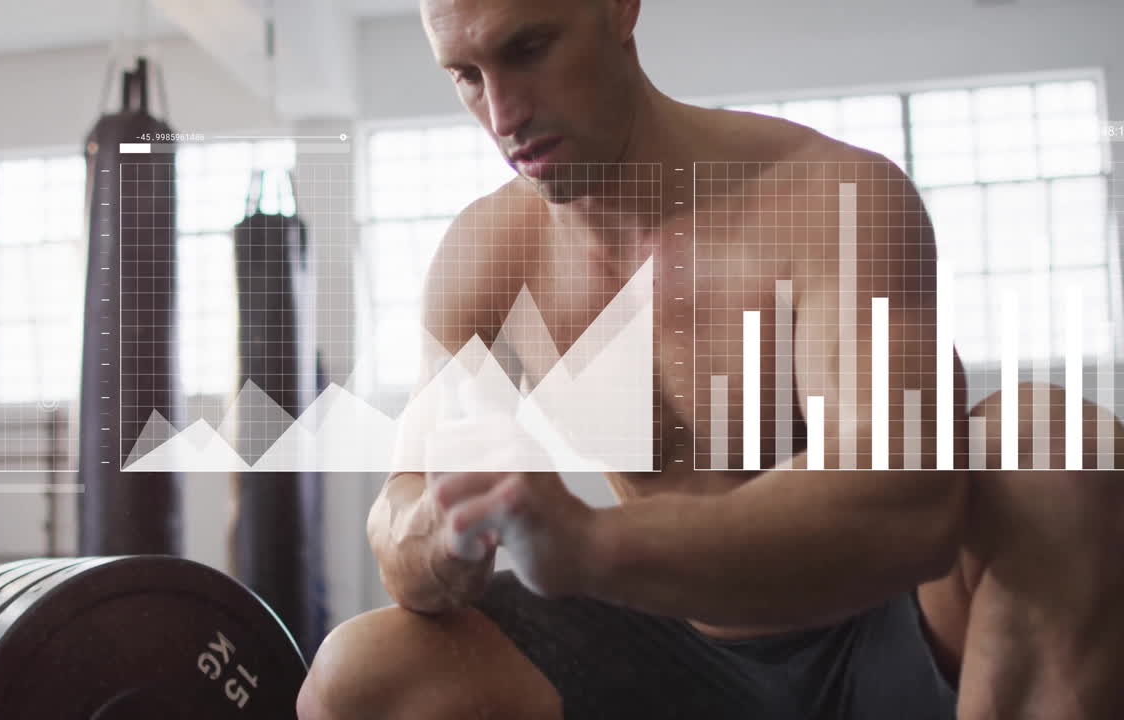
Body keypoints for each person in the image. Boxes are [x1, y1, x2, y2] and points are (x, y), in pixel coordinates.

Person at [298, 0, 1124, 717]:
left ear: (620, 8)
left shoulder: (831, 197)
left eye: (527, 48)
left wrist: (591, 546)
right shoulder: (487, 258)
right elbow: (397, 516)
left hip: (883, 633)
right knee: (360, 676)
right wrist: (439, 534)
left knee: (1050, 443)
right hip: (667, 649)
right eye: (467, 75)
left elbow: (908, 505)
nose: (503, 113)